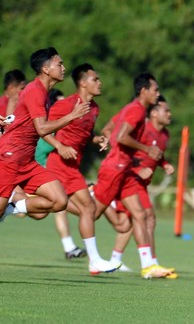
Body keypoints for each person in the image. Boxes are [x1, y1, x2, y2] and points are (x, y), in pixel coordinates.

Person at [91, 72, 173, 279]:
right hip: (115, 167)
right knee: (91, 213)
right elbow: (120, 136)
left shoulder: (136, 111)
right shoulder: (136, 110)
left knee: (140, 214)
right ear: (143, 91)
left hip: (125, 169)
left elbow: (114, 132)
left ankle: (148, 265)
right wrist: (146, 149)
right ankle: (72, 198)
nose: (158, 93)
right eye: (155, 89)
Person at [43, 63, 120, 275]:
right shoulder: (65, 105)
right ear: (82, 83)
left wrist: (98, 139)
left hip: (72, 167)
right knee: (88, 208)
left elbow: (85, 133)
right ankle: (94, 261)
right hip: (59, 164)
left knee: (80, 210)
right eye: (95, 79)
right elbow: (42, 129)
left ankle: (16, 205)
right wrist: (60, 145)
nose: (100, 82)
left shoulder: (94, 108)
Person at [0, 47, 91, 225]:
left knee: (59, 200)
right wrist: (72, 115)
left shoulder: (42, 92)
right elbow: (41, 129)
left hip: (26, 161)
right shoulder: (35, 91)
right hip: (10, 158)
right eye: (60, 64)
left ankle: (11, 208)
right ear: (46, 69)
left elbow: (23, 120)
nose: (64, 68)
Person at [106, 96, 176, 275]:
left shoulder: (164, 134)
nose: (170, 114)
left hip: (141, 183)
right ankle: (151, 263)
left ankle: (116, 259)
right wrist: (137, 169)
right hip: (131, 179)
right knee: (148, 217)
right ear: (153, 113)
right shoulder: (143, 129)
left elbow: (155, 154)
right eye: (166, 110)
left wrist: (164, 164)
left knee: (127, 222)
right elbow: (128, 152)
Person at [34, 88, 87, 260]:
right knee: (54, 208)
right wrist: (62, 145)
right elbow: (47, 149)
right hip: (37, 172)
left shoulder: (58, 127)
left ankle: (69, 246)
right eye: (61, 103)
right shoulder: (48, 129)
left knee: (53, 209)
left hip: (47, 171)